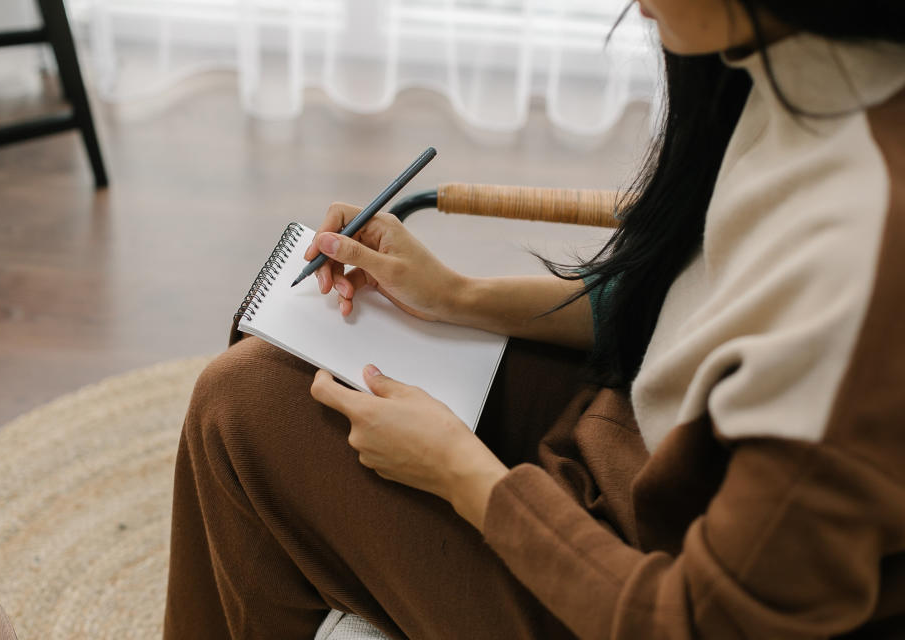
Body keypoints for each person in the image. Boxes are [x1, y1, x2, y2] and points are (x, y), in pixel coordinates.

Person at [163, 0, 905, 637]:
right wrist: (452, 294)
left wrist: (463, 474)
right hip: (618, 450)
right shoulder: (787, 71)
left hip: (638, 581)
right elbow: (686, 302)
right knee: (263, 380)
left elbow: (700, 622)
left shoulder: (864, 255)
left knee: (243, 417)